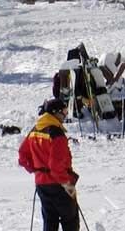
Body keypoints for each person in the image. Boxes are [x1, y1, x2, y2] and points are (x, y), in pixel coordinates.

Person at [18, 98, 80, 231]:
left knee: (50, 221)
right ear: (55, 112)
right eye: (64, 111)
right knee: (71, 221)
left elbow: (23, 156)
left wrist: (37, 170)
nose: (65, 115)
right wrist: (68, 185)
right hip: (60, 185)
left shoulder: (35, 129)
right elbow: (56, 166)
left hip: (42, 185)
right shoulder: (57, 134)